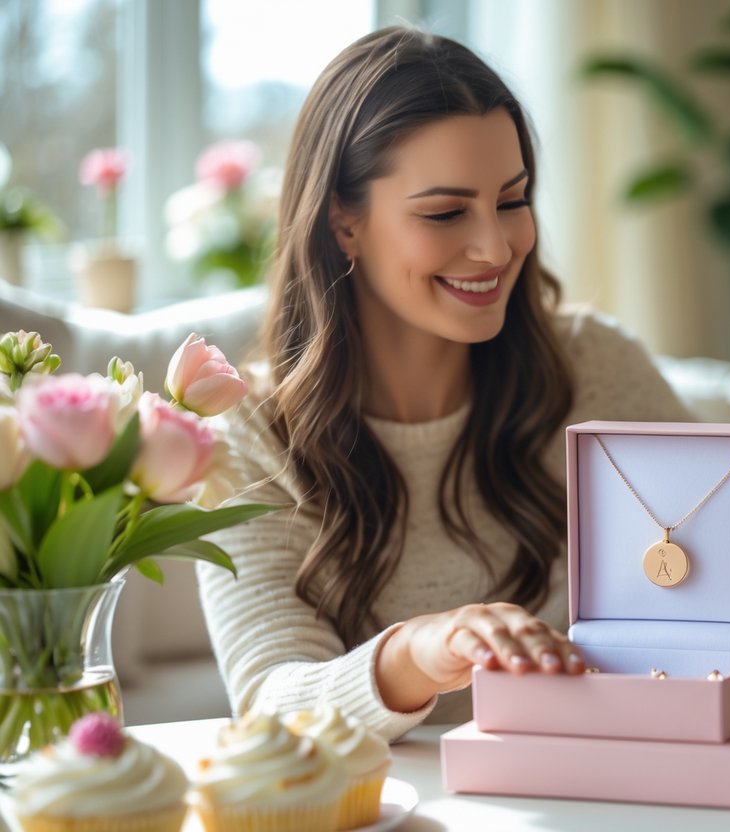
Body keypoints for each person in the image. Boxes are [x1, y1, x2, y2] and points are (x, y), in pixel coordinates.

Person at [198, 26, 691, 739]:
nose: (495, 247)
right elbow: (272, 702)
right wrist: (420, 651)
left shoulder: (597, 369)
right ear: (344, 222)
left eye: (512, 200)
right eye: (445, 212)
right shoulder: (248, 436)